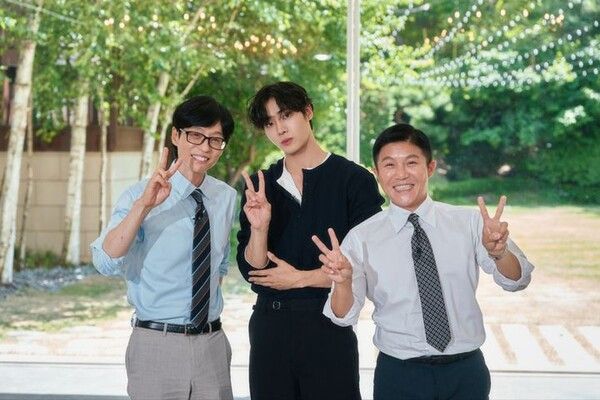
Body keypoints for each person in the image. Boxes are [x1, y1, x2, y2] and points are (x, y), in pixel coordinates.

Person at [313, 123, 534, 400]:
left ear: (430, 167)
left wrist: (500, 253)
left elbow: (517, 280)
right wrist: (343, 283)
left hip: (466, 372)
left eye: (411, 162)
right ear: (377, 174)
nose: (401, 174)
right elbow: (342, 315)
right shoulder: (361, 237)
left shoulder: (470, 223)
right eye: (389, 165)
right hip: (399, 375)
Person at [237, 81, 384, 399]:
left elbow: (366, 266)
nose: (279, 129)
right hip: (270, 327)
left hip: (328, 324)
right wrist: (260, 228)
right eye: (269, 123)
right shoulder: (262, 185)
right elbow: (254, 270)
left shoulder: (354, 180)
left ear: (308, 112)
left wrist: (300, 278)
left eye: (286, 115)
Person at [90, 95, 237, 400]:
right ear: (175, 135)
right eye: (195, 135)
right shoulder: (140, 195)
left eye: (215, 140)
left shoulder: (225, 197)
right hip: (157, 343)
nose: (205, 147)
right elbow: (105, 261)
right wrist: (144, 206)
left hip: (212, 345)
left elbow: (219, 264)